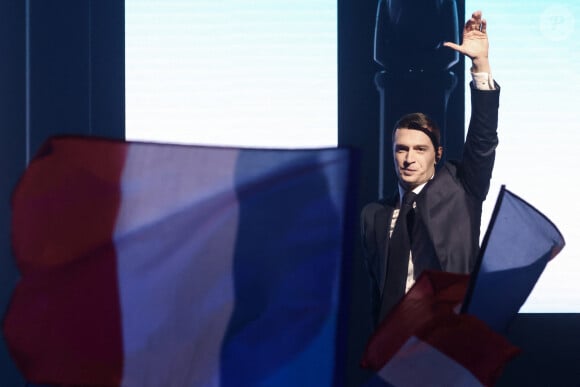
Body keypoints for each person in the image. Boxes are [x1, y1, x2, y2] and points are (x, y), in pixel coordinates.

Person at [361, 10, 500, 325]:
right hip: (394, 353)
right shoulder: (374, 216)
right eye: (402, 149)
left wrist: (480, 66)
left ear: (437, 154)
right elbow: (377, 296)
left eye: (419, 149)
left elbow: (482, 140)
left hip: (449, 344)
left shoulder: (462, 189)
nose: (409, 158)